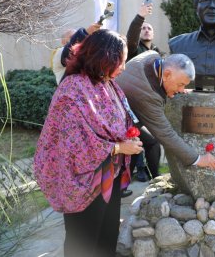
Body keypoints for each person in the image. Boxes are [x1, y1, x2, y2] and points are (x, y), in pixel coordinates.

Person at [34, 29, 143, 256]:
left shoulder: (108, 84)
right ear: (106, 58)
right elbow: (70, 144)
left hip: (109, 175)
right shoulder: (72, 88)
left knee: (106, 236)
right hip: (81, 181)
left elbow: (117, 119)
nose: (123, 67)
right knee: (83, 242)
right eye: (121, 61)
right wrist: (119, 147)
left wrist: (128, 135)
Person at [116, 51, 215, 170]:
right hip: (113, 135)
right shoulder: (147, 95)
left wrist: (174, 89)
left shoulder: (152, 56)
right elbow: (165, 133)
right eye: (180, 84)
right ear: (167, 75)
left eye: (184, 85)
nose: (181, 90)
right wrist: (198, 159)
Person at [125, 2, 163, 187]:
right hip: (132, 109)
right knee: (143, 142)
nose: (147, 30)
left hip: (150, 108)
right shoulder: (133, 50)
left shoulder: (158, 54)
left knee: (144, 143)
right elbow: (131, 38)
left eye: (150, 28)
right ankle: (153, 177)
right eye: (144, 28)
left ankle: (152, 177)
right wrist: (140, 18)